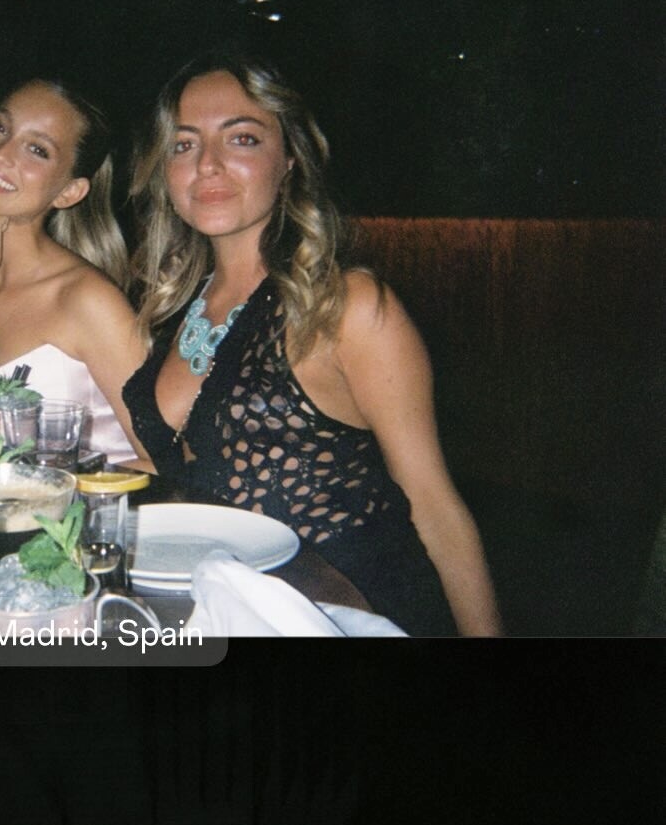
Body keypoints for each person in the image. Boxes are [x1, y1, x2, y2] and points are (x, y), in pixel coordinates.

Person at [124, 56, 503, 636]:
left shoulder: (348, 305)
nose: (208, 164)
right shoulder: (171, 309)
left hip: (352, 616)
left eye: (242, 138)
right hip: (225, 619)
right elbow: (184, 468)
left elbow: (435, 506)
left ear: (289, 160)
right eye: (184, 145)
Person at [0, 81, 149, 468]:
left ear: (69, 192)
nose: (0, 153)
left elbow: (166, 461)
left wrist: (53, 494)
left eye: (37, 149)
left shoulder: (87, 300)